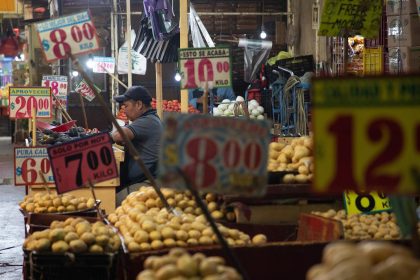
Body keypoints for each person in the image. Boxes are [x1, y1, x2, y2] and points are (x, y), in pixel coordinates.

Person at [112, 86, 163, 204]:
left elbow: (119, 136)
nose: (123, 110)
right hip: (143, 181)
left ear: (139, 104)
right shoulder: (150, 120)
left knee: (109, 201)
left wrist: (113, 135)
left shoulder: (148, 121)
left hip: (147, 184)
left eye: (126, 106)